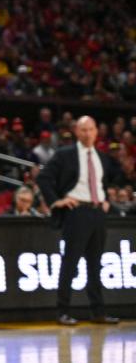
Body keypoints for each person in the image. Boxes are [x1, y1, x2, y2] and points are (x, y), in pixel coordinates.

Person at [37, 116, 123, 326]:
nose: (88, 133)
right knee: (70, 264)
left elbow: (107, 182)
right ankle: (63, 311)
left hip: (97, 213)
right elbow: (43, 177)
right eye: (83, 130)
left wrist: (105, 201)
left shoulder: (102, 158)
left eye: (91, 129)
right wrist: (56, 201)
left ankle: (98, 312)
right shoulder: (65, 155)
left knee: (95, 265)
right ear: (77, 131)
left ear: (96, 131)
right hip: (77, 212)